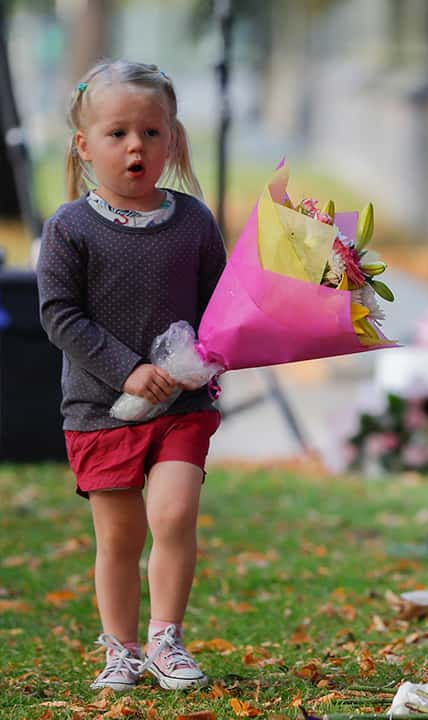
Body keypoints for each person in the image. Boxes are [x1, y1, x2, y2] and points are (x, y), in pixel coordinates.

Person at [35, 60, 226, 691]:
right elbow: (60, 315)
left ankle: (166, 639)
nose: (136, 146)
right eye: (118, 134)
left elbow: (219, 306)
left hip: (182, 404)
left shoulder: (195, 221)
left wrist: (218, 353)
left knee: (173, 517)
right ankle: (120, 649)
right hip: (99, 407)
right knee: (119, 537)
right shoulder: (69, 228)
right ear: (85, 146)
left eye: (151, 131)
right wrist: (128, 369)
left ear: (172, 139)